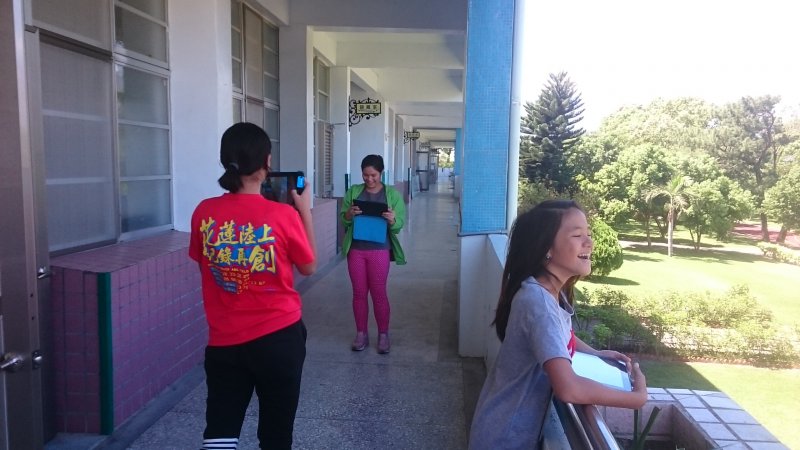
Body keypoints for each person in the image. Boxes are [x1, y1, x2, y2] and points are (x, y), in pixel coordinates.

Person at [468, 200, 647, 450]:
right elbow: (568, 388)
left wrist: (595, 353)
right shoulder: (538, 303)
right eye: (577, 235)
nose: (589, 242)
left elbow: (557, 334)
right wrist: (636, 398)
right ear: (546, 249)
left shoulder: (546, 291)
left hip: (505, 428)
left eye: (588, 234)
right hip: (504, 438)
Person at [189, 122, 317, 450]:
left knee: (220, 431)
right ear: (267, 163)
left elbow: (205, 265)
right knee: (276, 436)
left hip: (224, 340)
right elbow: (309, 266)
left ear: (225, 161)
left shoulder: (204, 213)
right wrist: (305, 211)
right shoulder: (283, 215)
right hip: (279, 338)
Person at [340, 154, 406, 354]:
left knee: (379, 293)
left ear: (381, 173)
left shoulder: (392, 195)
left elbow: (399, 225)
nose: (369, 179)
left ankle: (383, 334)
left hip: (379, 250)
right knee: (359, 293)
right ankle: (361, 333)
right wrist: (349, 214)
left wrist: (393, 220)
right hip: (356, 251)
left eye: (373, 175)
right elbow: (344, 220)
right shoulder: (353, 191)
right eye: (365, 175)